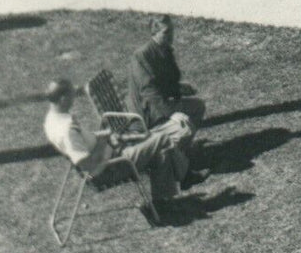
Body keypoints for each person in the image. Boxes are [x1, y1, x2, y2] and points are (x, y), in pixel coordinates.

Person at [43, 77, 194, 205]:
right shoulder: (67, 130)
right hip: (108, 169)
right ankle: (184, 177)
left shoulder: (52, 120)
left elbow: (84, 144)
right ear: (63, 99)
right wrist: (105, 142)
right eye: (72, 96)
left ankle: (164, 202)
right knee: (162, 139)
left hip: (110, 155)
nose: (74, 99)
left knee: (157, 145)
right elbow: (88, 165)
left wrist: (105, 136)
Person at [129, 14, 207, 131]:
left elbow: (165, 82)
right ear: (155, 33)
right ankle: (174, 142)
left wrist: (179, 89)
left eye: (172, 31)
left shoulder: (164, 49)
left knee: (198, 106)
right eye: (166, 32)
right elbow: (149, 92)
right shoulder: (142, 55)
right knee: (196, 108)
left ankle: (179, 143)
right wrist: (170, 113)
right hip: (146, 113)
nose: (171, 36)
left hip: (157, 105)